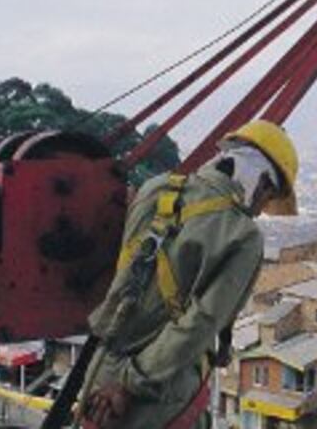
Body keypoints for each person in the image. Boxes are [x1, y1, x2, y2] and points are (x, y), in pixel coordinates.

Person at [76, 120, 299, 429]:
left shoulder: (156, 188)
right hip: (157, 393)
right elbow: (201, 321)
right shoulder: (243, 236)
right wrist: (130, 384)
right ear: (259, 180)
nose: (262, 208)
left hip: (101, 372)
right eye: (268, 195)